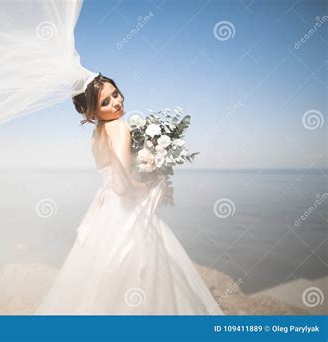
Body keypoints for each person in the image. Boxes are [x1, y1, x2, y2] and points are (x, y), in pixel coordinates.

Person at [34, 75, 224, 315]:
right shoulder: (120, 128)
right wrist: (149, 183)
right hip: (126, 210)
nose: (116, 102)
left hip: (105, 213)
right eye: (105, 102)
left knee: (99, 280)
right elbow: (122, 187)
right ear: (91, 112)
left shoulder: (96, 135)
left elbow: (112, 176)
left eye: (115, 93)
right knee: (144, 277)